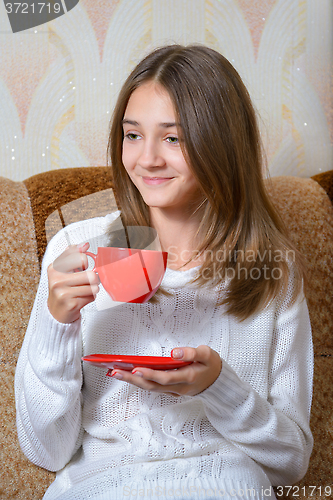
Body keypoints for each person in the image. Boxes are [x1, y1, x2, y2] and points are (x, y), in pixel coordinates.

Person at [15, 45, 313, 500]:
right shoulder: (75, 250)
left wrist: (218, 386)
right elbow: (46, 451)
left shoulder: (273, 272)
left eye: (172, 138)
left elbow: (291, 463)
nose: (147, 159)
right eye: (133, 135)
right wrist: (59, 325)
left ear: (222, 144)